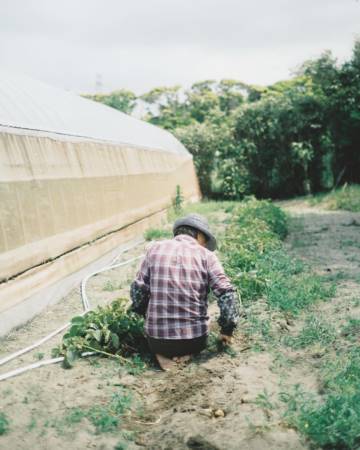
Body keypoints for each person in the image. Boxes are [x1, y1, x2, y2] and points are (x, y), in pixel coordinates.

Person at [129, 213, 240, 370]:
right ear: (199, 234)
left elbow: (138, 291)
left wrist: (143, 313)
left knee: (156, 337)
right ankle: (188, 354)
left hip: (157, 340)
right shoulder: (207, 256)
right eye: (205, 240)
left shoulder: (154, 250)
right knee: (195, 337)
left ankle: (161, 356)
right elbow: (227, 294)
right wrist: (227, 330)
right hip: (195, 340)